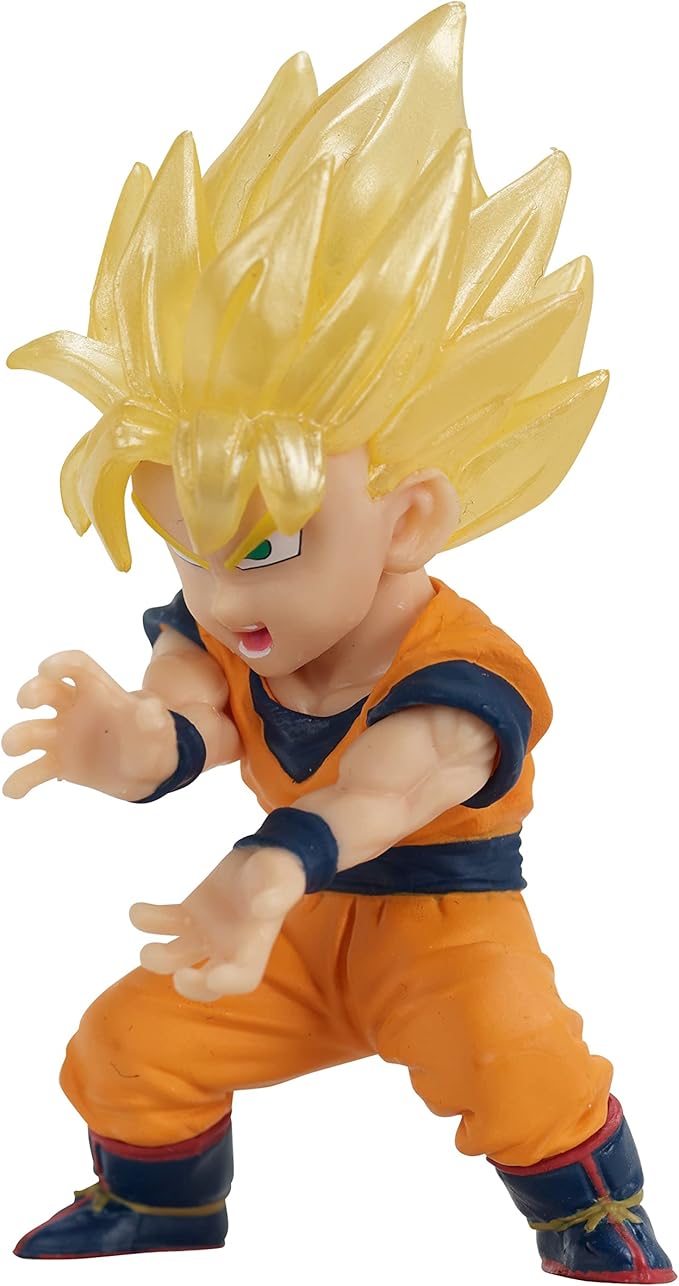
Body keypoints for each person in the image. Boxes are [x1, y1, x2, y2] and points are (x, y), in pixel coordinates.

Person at [3, 6, 674, 1279]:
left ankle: (593, 1214)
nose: (218, 595)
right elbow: (189, 711)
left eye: (261, 546)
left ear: (409, 516)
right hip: (291, 931)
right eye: (185, 547)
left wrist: (270, 862)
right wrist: (131, 743)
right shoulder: (229, 630)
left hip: (445, 932)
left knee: (519, 1061)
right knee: (131, 1040)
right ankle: (162, 1207)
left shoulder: (462, 667)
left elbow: (385, 787)